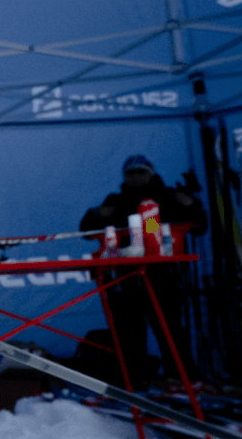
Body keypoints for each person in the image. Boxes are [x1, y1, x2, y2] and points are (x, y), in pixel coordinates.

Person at [78, 154, 204, 384]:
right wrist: (95, 214)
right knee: (129, 332)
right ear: (124, 176)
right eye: (131, 173)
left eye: (142, 172)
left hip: (162, 274)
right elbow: (86, 229)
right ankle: (133, 379)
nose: (137, 177)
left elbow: (199, 226)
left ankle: (181, 375)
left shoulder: (167, 196)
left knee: (170, 328)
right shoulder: (117, 199)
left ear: (151, 173)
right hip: (126, 276)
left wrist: (192, 204)